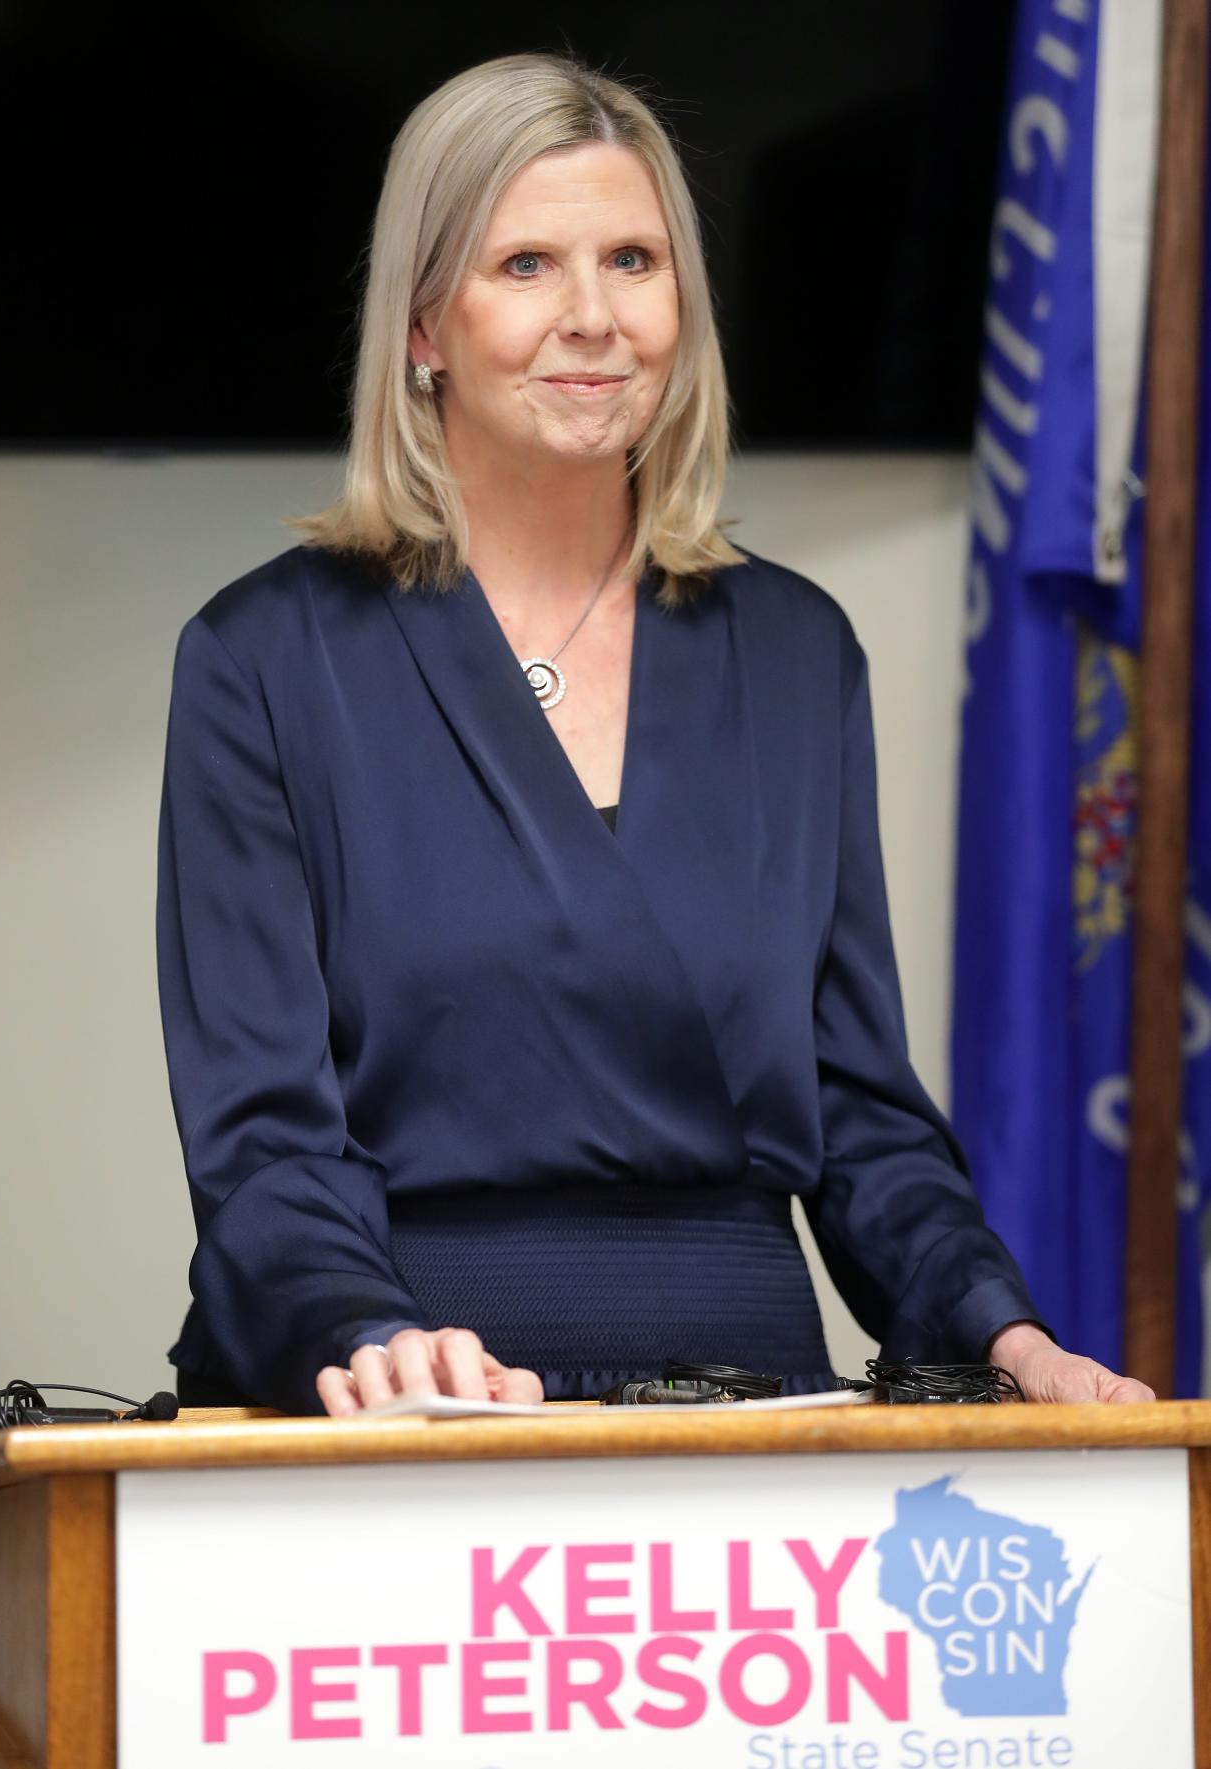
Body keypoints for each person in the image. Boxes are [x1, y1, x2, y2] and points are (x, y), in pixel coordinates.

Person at [157, 51, 1153, 1416]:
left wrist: (999, 1330)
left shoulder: (797, 651)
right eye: (524, 266)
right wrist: (365, 1326)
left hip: (752, 1416)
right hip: (404, 1400)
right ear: (423, 327)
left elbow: (859, 1108)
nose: (592, 317)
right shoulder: (261, 658)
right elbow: (264, 1138)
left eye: (631, 259)